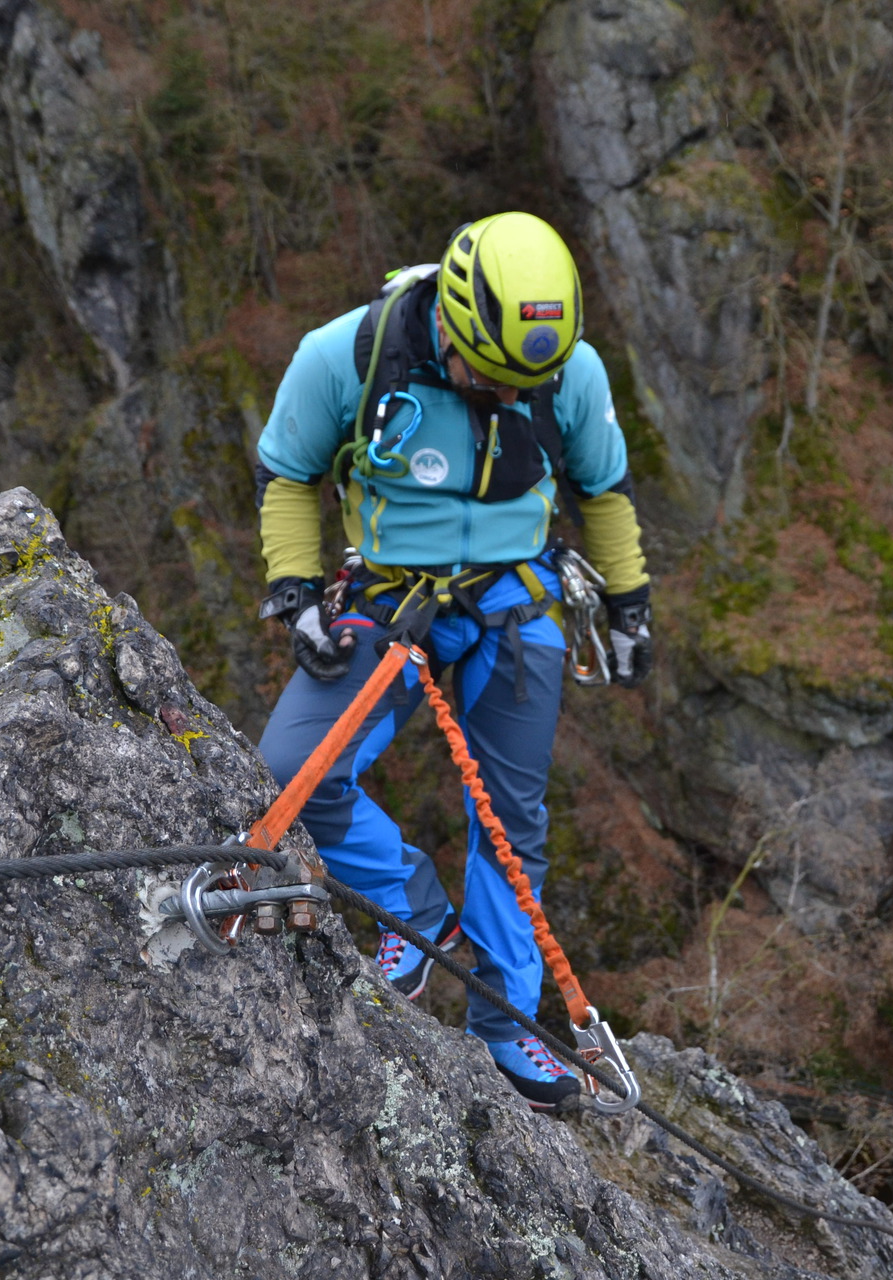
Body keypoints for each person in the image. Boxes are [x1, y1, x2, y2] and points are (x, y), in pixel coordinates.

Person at [251, 212, 652, 1109]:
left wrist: (630, 604)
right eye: (491, 380)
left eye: (526, 386)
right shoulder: (349, 356)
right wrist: (295, 592)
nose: (509, 400)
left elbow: (605, 487)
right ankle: (415, 909)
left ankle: (507, 1025)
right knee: (292, 772)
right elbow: (286, 473)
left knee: (512, 821)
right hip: (393, 595)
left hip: (518, 600)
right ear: (450, 327)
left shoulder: (568, 372)